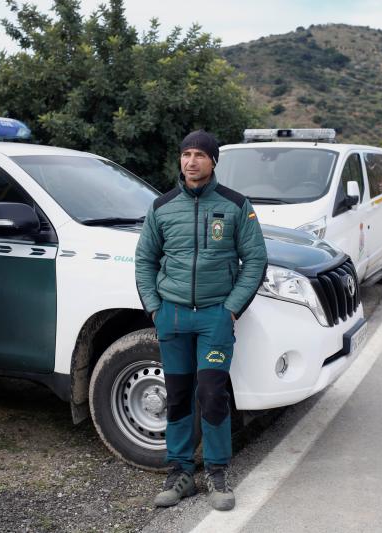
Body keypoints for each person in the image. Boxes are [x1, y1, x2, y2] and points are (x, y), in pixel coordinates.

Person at [135, 130, 267, 511]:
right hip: (172, 315)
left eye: (199, 155)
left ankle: (216, 471)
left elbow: (255, 260)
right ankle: (179, 472)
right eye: (185, 154)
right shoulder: (162, 207)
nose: (191, 161)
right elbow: (145, 260)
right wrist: (155, 309)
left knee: (212, 395)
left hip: (214, 317)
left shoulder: (236, 205)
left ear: (213, 161)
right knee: (176, 397)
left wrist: (231, 309)